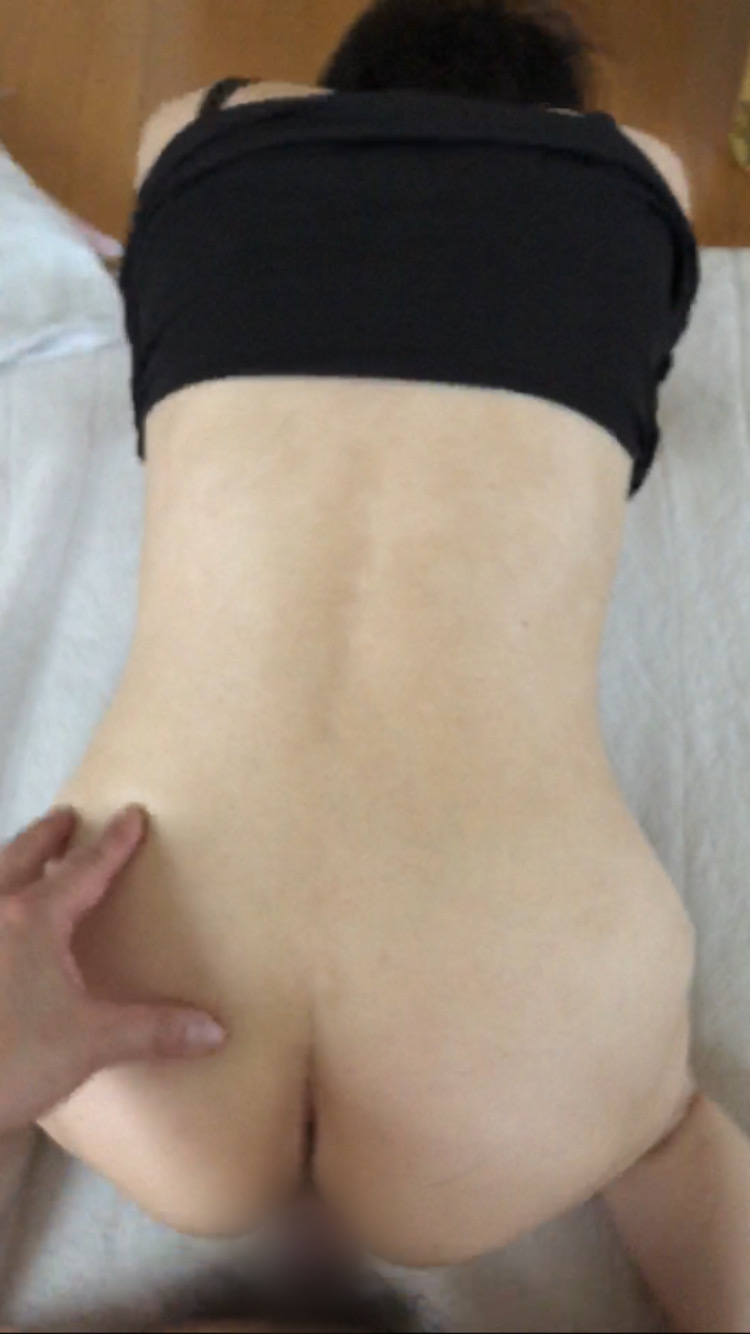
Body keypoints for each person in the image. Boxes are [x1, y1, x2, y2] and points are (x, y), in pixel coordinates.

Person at [2, 2, 749, 1332]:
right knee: (661, 1135)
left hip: (117, 995)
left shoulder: (198, 129)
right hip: (518, 1083)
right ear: (562, 123)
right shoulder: (642, 174)